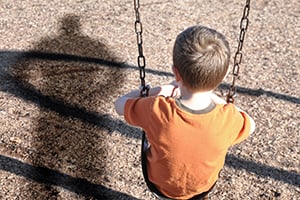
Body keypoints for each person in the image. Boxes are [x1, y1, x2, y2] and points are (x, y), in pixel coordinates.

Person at [114, 25, 255, 199]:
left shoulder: (157, 108)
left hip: (161, 186)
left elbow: (119, 105)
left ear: (176, 74)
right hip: (203, 187)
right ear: (224, 76)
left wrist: (152, 91)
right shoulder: (227, 118)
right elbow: (251, 124)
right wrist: (217, 99)